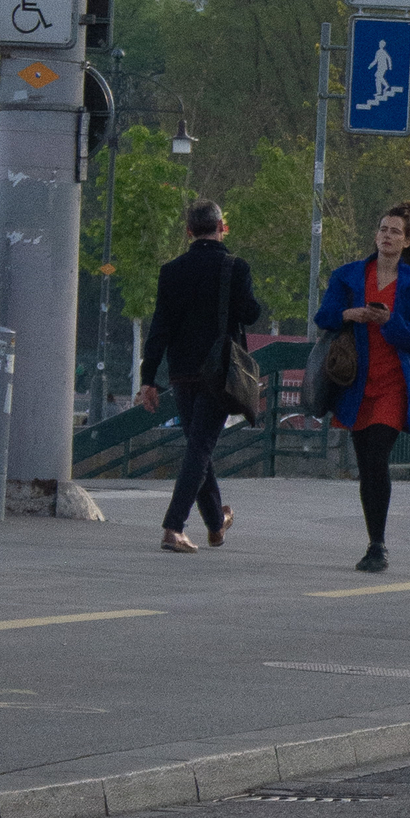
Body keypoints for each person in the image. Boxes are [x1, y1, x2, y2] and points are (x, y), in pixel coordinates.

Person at [314, 204, 410, 573]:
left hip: (395, 383)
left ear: (408, 241)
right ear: (376, 235)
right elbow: (323, 316)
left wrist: (391, 322)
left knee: (377, 456)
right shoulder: (349, 276)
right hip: (356, 382)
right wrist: (348, 314)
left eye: (396, 232)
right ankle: (373, 540)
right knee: (366, 463)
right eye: (383, 229)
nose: (387, 236)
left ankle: (378, 545)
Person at [135, 199, 262, 554]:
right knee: (200, 447)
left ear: (189, 231)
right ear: (223, 227)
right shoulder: (235, 267)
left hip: (182, 373)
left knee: (198, 446)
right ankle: (173, 527)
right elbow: (251, 314)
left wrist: (149, 379)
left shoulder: (171, 270)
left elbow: (159, 327)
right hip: (220, 372)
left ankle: (215, 525)